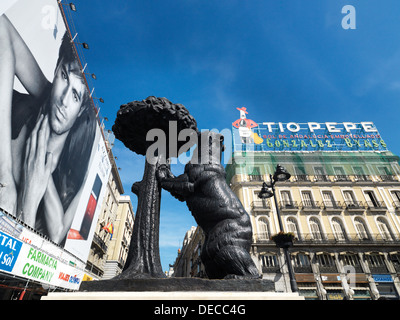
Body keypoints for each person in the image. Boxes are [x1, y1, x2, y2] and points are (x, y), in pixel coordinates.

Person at [0, 15, 96, 244]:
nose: (63, 101)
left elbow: (56, 233)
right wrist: (5, 176)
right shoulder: (29, 106)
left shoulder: (72, 177)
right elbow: (2, 27)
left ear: (82, 109)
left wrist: (30, 201)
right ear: (55, 71)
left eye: (75, 95)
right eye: (64, 77)